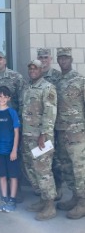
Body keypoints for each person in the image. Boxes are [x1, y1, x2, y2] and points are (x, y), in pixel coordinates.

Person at [22, 60, 57, 221]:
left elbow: (50, 113)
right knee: (31, 169)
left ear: (42, 69)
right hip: (27, 136)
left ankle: (50, 205)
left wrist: (44, 134)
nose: (32, 70)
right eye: (30, 68)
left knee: (43, 171)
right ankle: (43, 199)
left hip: (40, 138)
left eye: (35, 68)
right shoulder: (28, 87)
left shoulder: (47, 87)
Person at [55, 47, 85, 219]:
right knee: (67, 167)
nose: (63, 61)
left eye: (66, 57)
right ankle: (74, 197)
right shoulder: (58, 81)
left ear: (71, 59)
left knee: (80, 169)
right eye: (60, 58)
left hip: (77, 132)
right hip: (61, 131)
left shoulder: (80, 80)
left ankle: (83, 202)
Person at [0, 86, 20, 213]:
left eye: (5, 97)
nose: (2, 99)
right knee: (1, 175)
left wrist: (14, 150)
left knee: (13, 176)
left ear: (9, 98)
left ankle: (12, 200)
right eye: (0, 96)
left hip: (10, 150)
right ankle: (4, 199)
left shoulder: (12, 113)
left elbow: (16, 132)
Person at [37, 47, 63, 201]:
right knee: (43, 159)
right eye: (41, 58)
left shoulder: (58, 77)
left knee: (57, 160)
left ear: (51, 59)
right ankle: (47, 193)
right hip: (42, 127)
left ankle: (57, 188)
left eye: (46, 57)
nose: (43, 60)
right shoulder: (36, 77)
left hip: (57, 125)